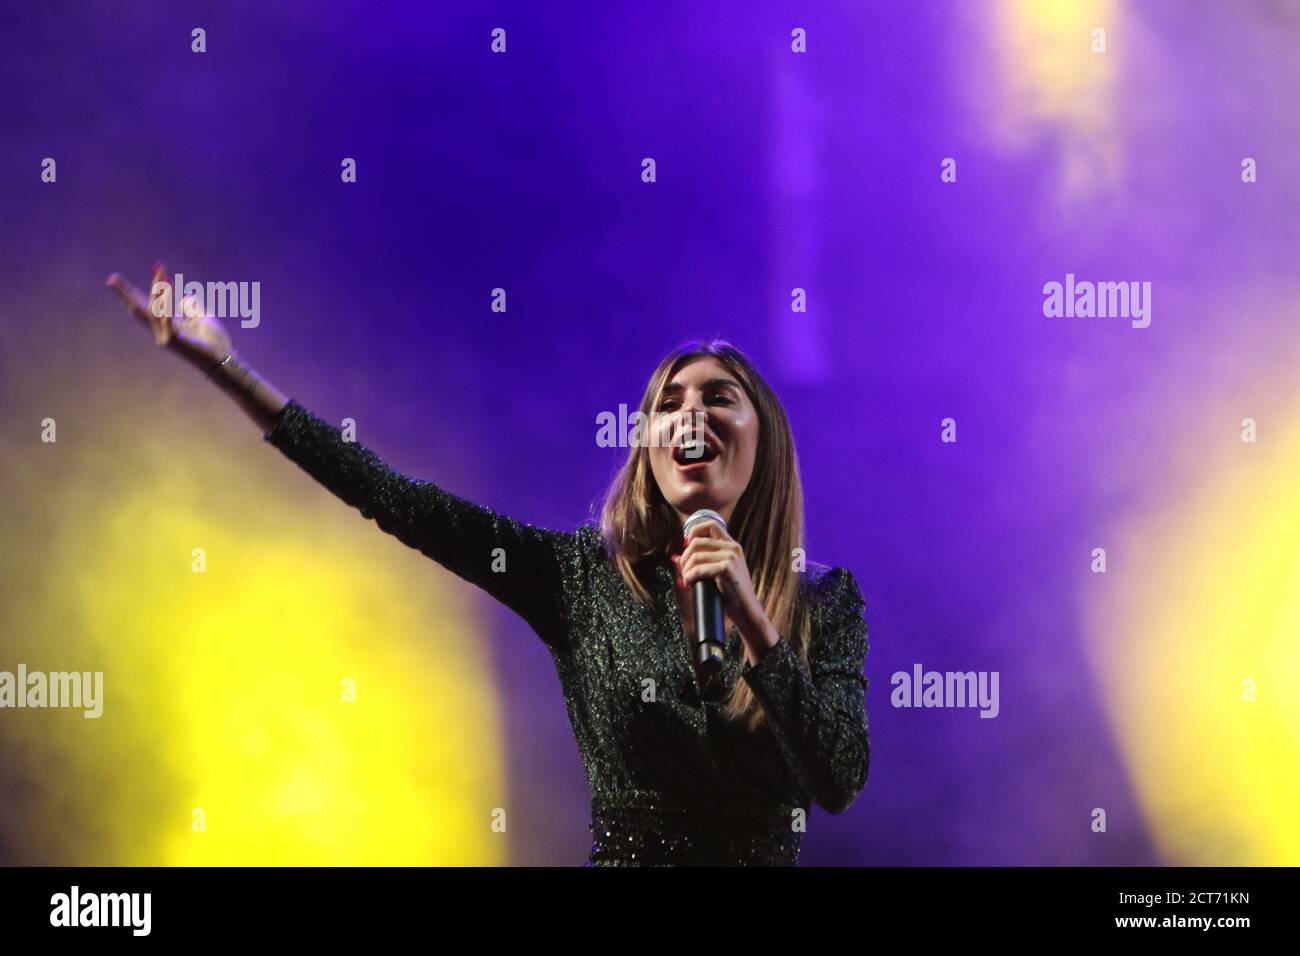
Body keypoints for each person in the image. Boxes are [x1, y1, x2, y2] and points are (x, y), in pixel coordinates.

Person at [105, 263, 871, 866]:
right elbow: (393, 497)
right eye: (669, 403)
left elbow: (838, 778)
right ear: (649, 449)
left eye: (719, 397)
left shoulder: (825, 604)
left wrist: (756, 626)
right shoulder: (580, 579)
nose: (690, 413)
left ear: (763, 440)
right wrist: (228, 367)